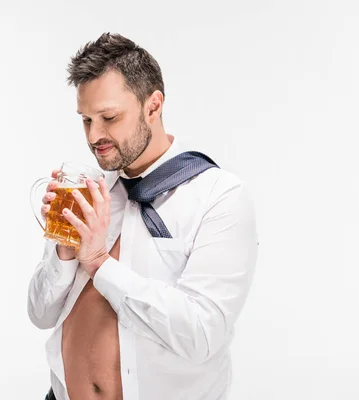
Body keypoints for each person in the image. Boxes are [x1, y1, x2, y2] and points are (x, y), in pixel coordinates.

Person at [27, 32, 258, 400]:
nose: (94, 135)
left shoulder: (219, 198)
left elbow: (202, 335)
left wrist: (100, 263)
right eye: (86, 119)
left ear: (153, 106)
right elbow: (40, 314)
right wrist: (65, 254)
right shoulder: (90, 193)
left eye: (109, 116)